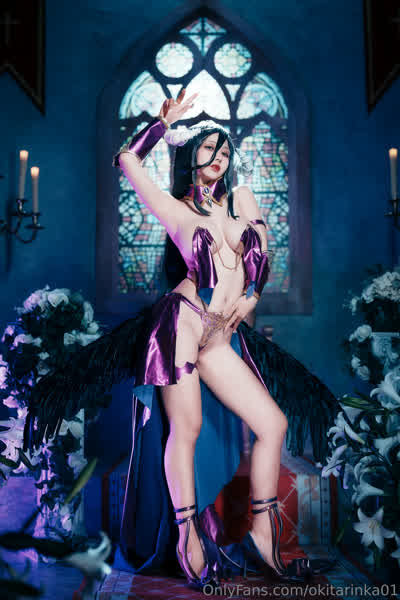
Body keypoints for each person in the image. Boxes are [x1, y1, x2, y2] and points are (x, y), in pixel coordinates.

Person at [23, 90, 338, 589]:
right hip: (180, 326)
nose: (219, 157)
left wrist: (252, 297)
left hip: (219, 337)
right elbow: (126, 160)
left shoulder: (240, 203)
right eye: (209, 148)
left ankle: (263, 534)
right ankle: (187, 537)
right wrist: (161, 125)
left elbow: (261, 257)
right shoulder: (175, 210)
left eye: (225, 151)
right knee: (185, 429)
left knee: (272, 424)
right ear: (191, 155)